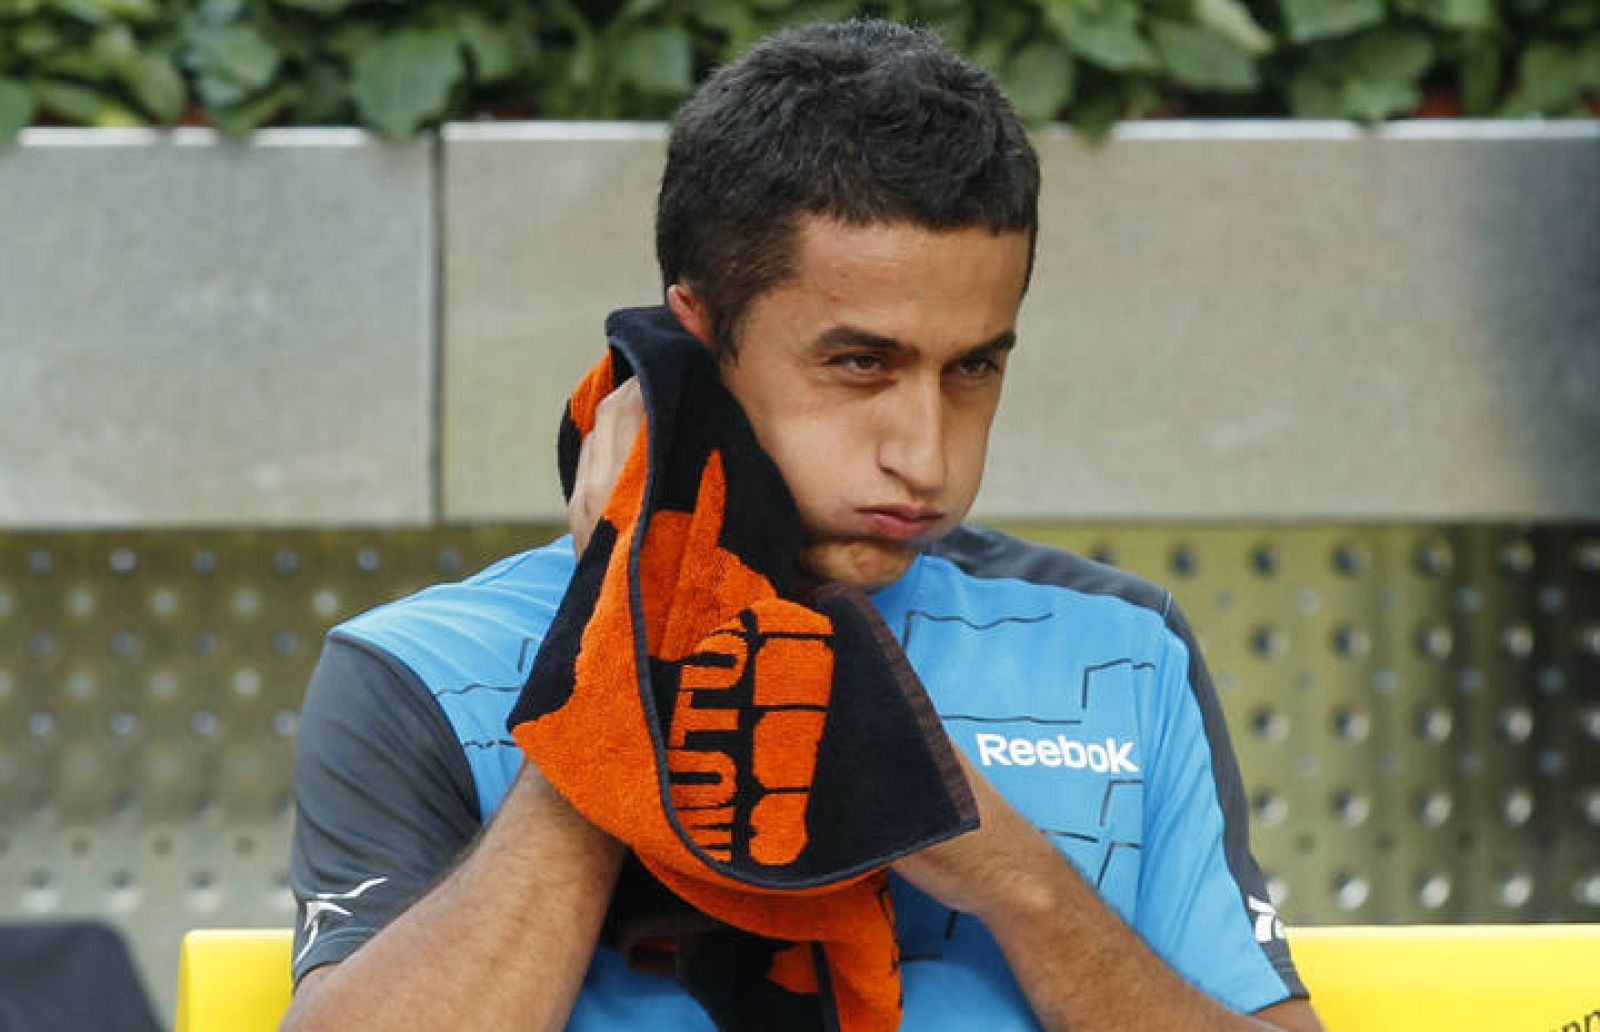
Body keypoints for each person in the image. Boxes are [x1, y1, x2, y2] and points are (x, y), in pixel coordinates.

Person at [283, 18, 1323, 1032]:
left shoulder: (1121, 647)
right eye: (859, 363)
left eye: (974, 368)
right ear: (698, 342)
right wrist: (623, 659)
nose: (927, 458)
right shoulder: (415, 670)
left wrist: (1014, 879)